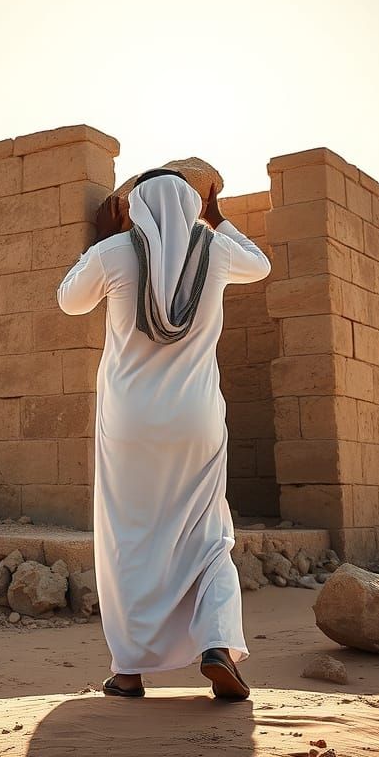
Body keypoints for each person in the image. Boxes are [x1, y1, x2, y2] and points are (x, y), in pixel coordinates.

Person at [57, 169, 271, 700]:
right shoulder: (217, 252)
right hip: (196, 420)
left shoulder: (114, 253)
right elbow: (261, 264)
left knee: (128, 539)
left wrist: (102, 241)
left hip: (130, 424)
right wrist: (217, 218)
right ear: (191, 207)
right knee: (209, 534)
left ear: (137, 208)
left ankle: (129, 670)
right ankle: (218, 644)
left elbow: (69, 300)